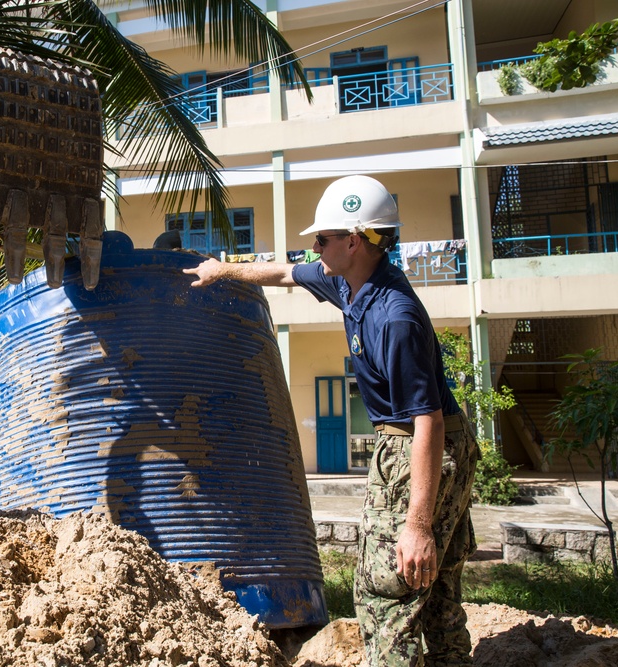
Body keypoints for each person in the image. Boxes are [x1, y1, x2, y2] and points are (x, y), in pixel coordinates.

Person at [184, 175, 478, 666]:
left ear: (355, 241)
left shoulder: (394, 319)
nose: (315, 247)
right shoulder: (349, 280)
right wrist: (222, 270)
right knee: (435, 587)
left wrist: (418, 525)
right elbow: (285, 274)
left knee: (388, 593)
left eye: (322, 239)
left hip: (420, 446)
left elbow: (427, 423)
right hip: (438, 440)